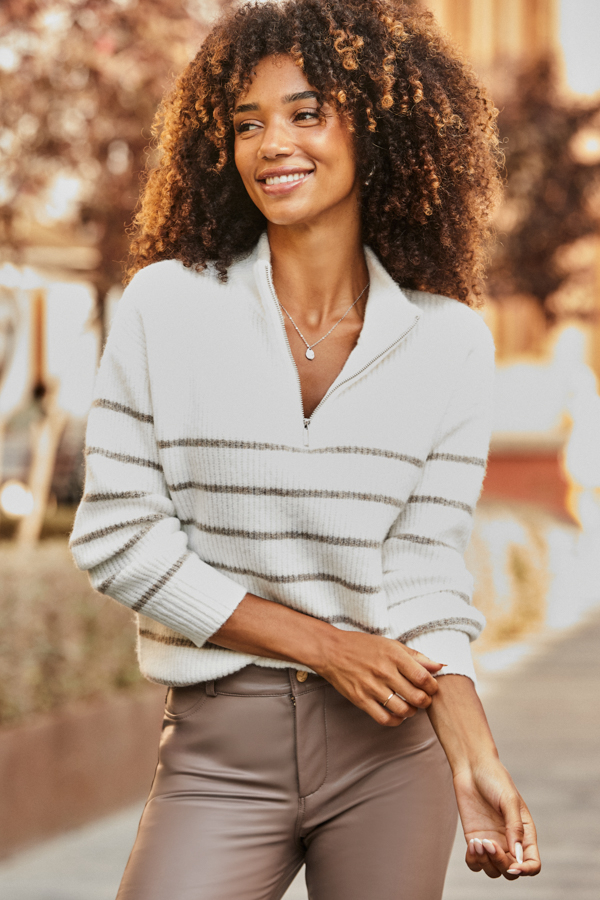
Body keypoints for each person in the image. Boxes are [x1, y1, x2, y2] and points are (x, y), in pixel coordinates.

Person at [69, 1, 541, 897]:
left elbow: (423, 571)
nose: (271, 144)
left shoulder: (450, 342)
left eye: (306, 112)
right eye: (246, 124)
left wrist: (471, 750)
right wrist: (325, 647)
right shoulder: (166, 306)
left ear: (382, 125)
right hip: (221, 746)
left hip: (391, 749)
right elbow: (120, 537)